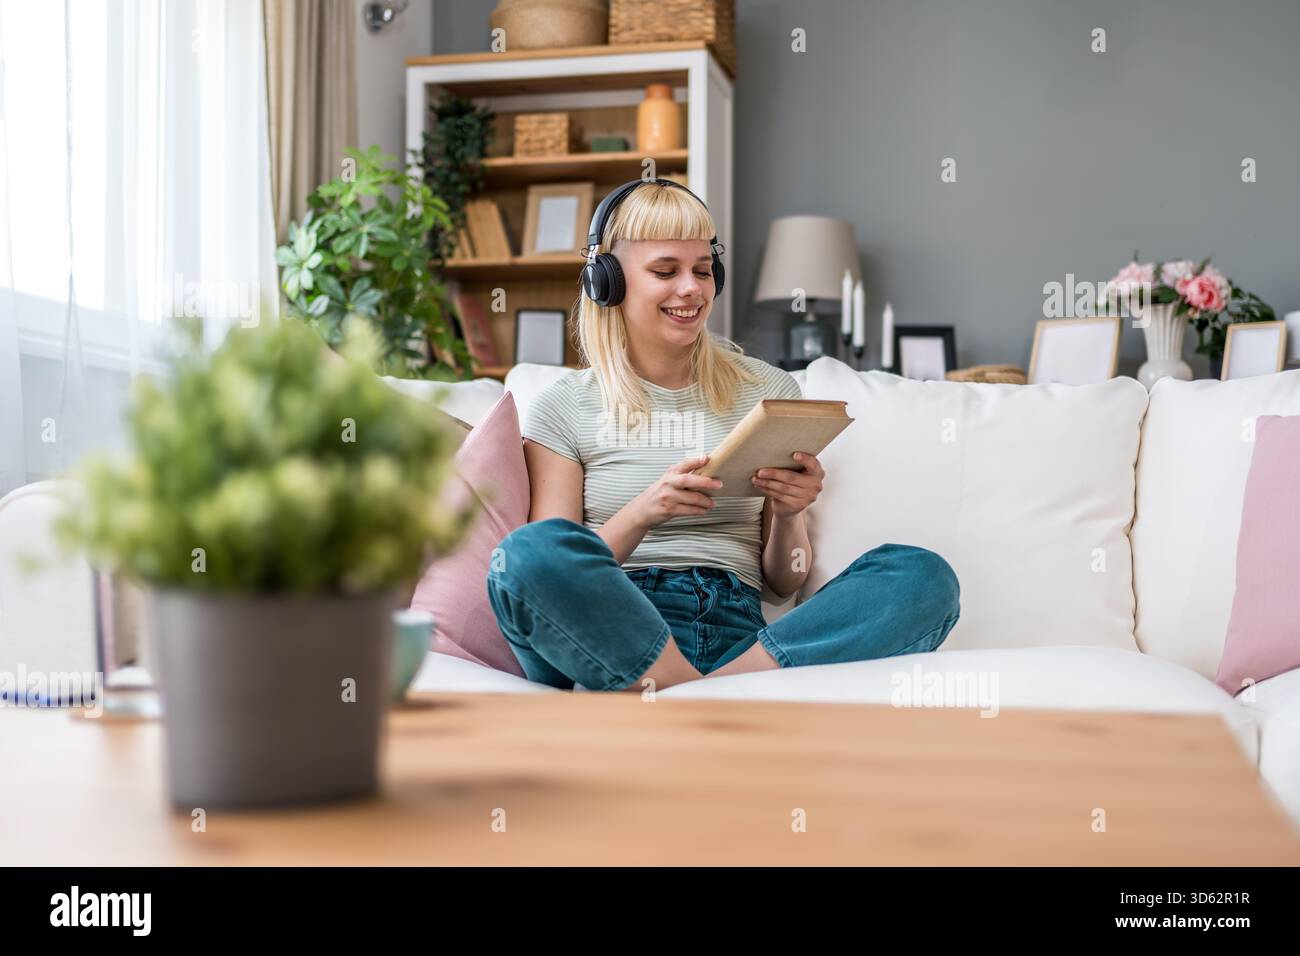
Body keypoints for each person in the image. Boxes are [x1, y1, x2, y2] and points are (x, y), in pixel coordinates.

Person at [486, 179, 959, 692]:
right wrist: (646, 511)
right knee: (528, 553)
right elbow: (561, 558)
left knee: (921, 576)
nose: (691, 288)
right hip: (615, 625)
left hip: (739, 632)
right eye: (665, 271)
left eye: (703, 270)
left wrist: (790, 512)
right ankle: (717, 696)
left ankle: (688, 695)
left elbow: (784, 582)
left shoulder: (768, 391)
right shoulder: (564, 405)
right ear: (608, 283)